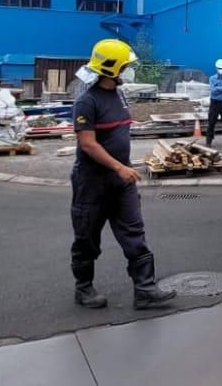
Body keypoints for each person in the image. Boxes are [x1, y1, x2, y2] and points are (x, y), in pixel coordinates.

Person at [71, 38, 177, 310]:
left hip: (121, 182)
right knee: (87, 236)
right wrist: (119, 166)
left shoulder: (118, 94)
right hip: (92, 183)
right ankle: (83, 289)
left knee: (134, 233)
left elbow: (119, 127)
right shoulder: (87, 101)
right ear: (110, 69)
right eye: (126, 66)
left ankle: (145, 290)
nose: (129, 70)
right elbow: (88, 143)